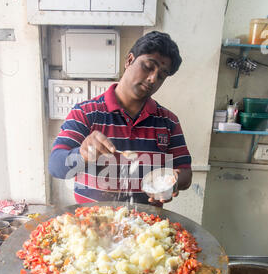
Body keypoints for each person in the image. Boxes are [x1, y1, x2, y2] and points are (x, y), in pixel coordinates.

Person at [49, 31, 192, 206]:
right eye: (148, 66)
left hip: (148, 227)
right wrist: (83, 155)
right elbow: (55, 166)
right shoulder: (86, 113)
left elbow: (185, 172)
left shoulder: (168, 122)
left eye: (161, 75)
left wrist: (174, 180)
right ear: (129, 60)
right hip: (92, 225)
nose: (152, 78)